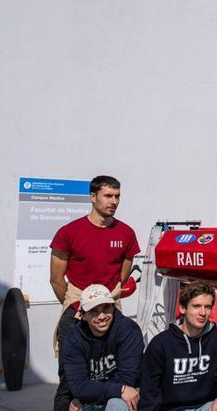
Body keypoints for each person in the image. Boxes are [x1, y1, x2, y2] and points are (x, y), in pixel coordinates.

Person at [51, 176, 142, 411]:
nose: (114, 201)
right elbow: (56, 279)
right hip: (76, 307)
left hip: (110, 306)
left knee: (116, 373)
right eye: (108, 196)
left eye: (117, 196)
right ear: (92, 197)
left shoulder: (126, 233)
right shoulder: (69, 232)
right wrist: (79, 307)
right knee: (68, 383)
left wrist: (104, 303)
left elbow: (122, 276)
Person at [141, 281, 217, 411]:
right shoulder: (161, 344)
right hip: (170, 408)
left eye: (207, 307)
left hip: (205, 406)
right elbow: (149, 390)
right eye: (196, 306)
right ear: (182, 308)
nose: (203, 313)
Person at [60, 284, 145, 411]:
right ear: (83, 315)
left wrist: (88, 394)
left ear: (113, 308)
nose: (102, 316)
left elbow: (128, 378)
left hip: (126, 393)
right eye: (94, 311)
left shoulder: (128, 330)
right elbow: (78, 386)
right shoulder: (73, 340)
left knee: (116, 405)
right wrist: (84, 396)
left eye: (106, 308)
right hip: (106, 393)